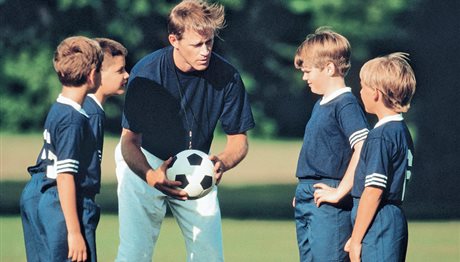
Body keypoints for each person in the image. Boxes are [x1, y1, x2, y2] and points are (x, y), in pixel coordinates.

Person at [114, 0, 255, 261]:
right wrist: (149, 175)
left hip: (197, 168)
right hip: (144, 161)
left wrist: (221, 162)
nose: (205, 51)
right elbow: (129, 141)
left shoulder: (228, 76)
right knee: (135, 252)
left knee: (210, 255)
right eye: (197, 44)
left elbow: (239, 140)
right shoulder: (146, 74)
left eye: (210, 42)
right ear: (174, 40)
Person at [20, 36, 103, 262]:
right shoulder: (73, 119)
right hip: (63, 206)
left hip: (49, 197)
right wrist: (74, 233)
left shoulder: (59, 107)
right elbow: (65, 176)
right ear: (92, 74)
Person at [293, 27, 369, 261]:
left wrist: (339, 192)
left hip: (329, 202)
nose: (304, 77)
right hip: (308, 197)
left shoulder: (345, 104)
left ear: (329, 68)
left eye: (308, 71)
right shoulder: (320, 104)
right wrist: (303, 190)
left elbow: (363, 146)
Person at [345, 53, 416, 262]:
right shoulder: (400, 130)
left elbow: (374, 191)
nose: (360, 91)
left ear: (376, 93)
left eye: (363, 86)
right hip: (388, 220)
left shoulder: (381, 136)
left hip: (379, 221)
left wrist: (356, 239)